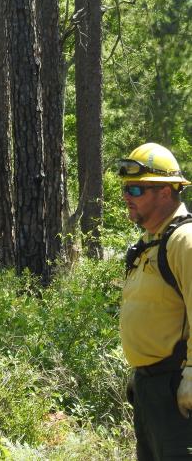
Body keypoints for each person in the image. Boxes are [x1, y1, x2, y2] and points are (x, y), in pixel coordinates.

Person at [118, 142, 192, 460]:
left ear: (165, 192)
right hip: (150, 390)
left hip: (176, 389)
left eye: (136, 190)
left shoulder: (184, 242)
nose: (126, 197)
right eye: (125, 189)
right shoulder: (150, 242)